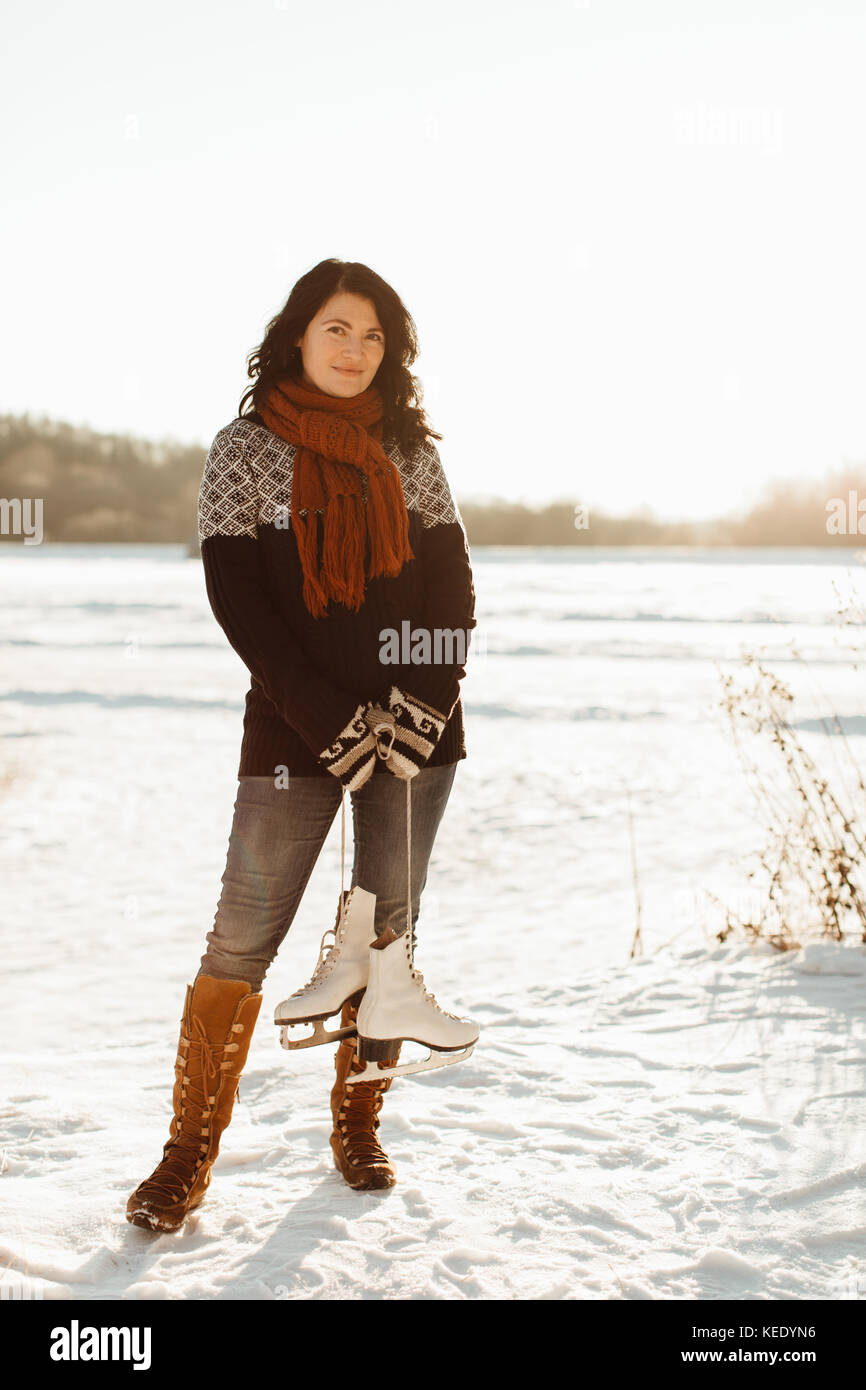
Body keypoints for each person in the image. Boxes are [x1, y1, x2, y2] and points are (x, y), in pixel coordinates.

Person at [126, 259, 478, 1234]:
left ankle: (358, 1127)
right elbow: (242, 602)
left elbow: (451, 590)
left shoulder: (409, 450)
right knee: (242, 933)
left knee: (384, 935)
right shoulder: (243, 450)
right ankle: (187, 1154)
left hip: (415, 735)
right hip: (292, 727)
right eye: (336, 329)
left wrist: (422, 705)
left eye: (371, 335)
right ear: (296, 336)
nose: (354, 350)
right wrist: (327, 717)